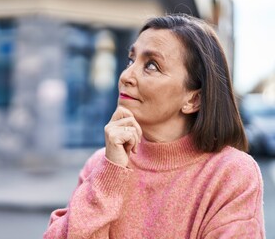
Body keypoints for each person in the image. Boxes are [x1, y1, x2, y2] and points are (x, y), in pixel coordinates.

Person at [43, 14, 265, 238]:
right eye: (131, 60)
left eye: (151, 65)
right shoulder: (102, 164)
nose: (126, 76)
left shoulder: (232, 174)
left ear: (193, 100)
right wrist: (110, 175)